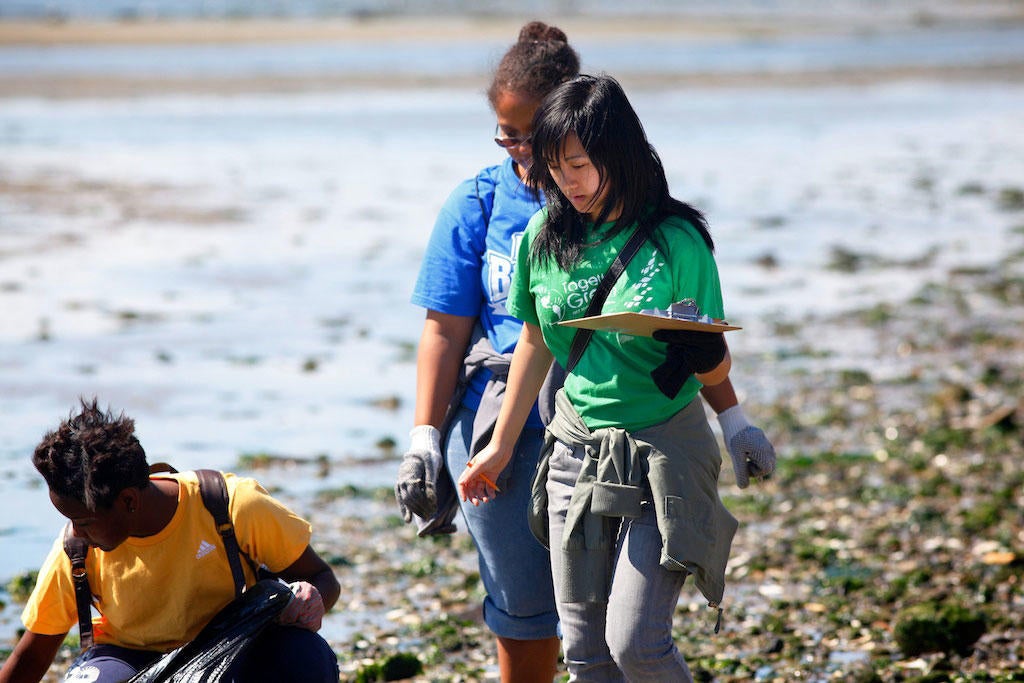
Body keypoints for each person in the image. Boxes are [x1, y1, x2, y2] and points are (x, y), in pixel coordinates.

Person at [458, 73, 773, 681]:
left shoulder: (677, 241)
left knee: (636, 643)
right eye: (554, 166)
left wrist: (735, 423)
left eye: (578, 164)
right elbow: (533, 342)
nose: (565, 181)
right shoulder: (540, 240)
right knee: (583, 649)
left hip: (665, 447)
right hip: (576, 451)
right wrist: (497, 448)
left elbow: (711, 356)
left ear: (619, 155)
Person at [395, 22, 578, 683]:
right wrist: (422, 437)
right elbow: (444, 330)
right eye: (506, 132)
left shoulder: (611, 200)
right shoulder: (476, 203)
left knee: (607, 611)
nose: (518, 147)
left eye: (533, 131)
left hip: (596, 420)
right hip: (498, 426)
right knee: (522, 609)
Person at [0, 398, 341, 683]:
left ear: (129, 501)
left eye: (83, 520)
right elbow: (33, 655)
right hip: (128, 659)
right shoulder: (76, 550)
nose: (75, 531)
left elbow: (322, 578)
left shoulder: (229, 505)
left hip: (233, 644)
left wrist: (313, 599)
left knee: (304, 656)